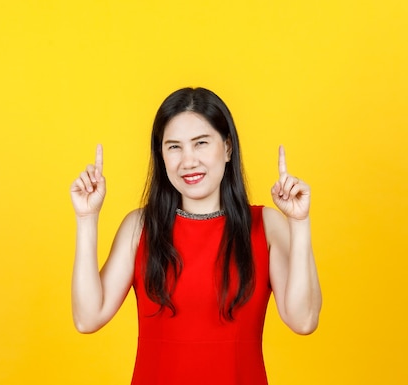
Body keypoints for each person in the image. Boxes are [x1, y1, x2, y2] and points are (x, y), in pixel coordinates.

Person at [70, 87, 322, 385]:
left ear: (227, 147)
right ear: (161, 155)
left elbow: (303, 320)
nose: (188, 161)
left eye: (200, 143)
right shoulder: (140, 227)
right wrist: (87, 218)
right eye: (174, 147)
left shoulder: (265, 226)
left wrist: (299, 222)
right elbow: (87, 318)